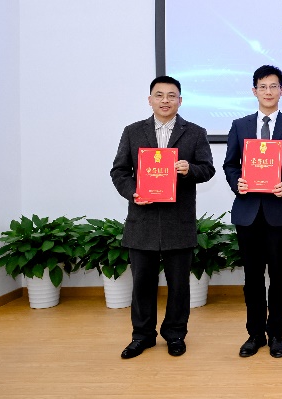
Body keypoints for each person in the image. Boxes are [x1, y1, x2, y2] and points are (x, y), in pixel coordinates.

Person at [111, 75, 216, 359]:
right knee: (142, 284)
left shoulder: (195, 132)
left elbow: (207, 169)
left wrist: (189, 169)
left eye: (171, 96)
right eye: (159, 95)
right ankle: (142, 336)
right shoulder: (133, 131)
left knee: (179, 285)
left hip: (178, 221)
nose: (165, 100)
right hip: (142, 220)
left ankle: (175, 334)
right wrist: (133, 192)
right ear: (150, 100)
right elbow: (119, 171)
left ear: (180, 100)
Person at [223, 65, 282, 359]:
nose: (268, 92)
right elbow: (230, 165)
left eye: (273, 86)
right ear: (254, 91)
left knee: (279, 276)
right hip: (248, 212)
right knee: (253, 277)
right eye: (263, 87)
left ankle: (276, 334)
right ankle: (255, 334)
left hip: (278, 211)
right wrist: (237, 182)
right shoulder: (240, 125)